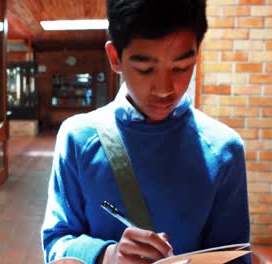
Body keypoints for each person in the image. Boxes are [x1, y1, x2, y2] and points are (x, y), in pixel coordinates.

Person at [41, 0, 252, 263]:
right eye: (145, 69)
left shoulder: (223, 150)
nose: (164, 89)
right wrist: (109, 255)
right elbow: (57, 240)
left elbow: (234, 256)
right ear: (115, 58)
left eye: (181, 67)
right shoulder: (78, 138)